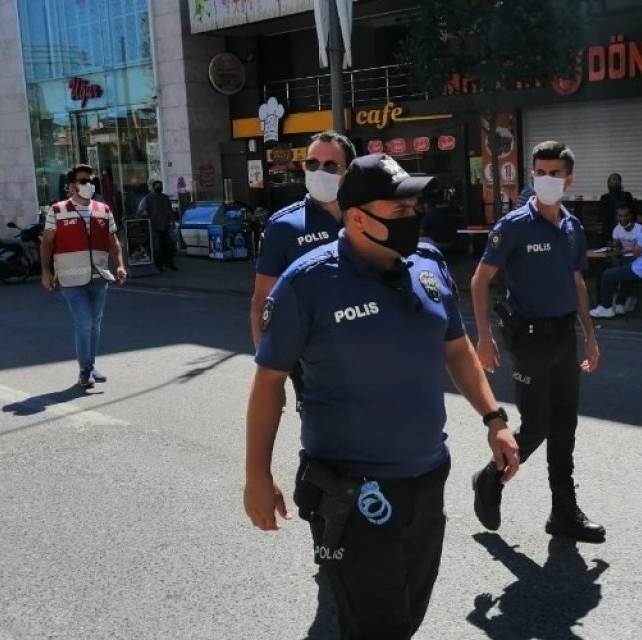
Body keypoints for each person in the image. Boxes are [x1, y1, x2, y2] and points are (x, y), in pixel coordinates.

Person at [244, 153, 520, 639]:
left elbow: (456, 349)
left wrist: (494, 418)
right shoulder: (306, 283)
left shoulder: (428, 264)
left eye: (414, 209)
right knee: (377, 625)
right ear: (355, 218)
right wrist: (257, 477)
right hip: (352, 490)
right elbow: (268, 384)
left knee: (410, 610)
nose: (413, 219)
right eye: (399, 212)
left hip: (428, 476)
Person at [471, 140, 605, 543]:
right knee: (538, 425)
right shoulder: (513, 225)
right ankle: (490, 479)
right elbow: (480, 281)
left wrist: (590, 336)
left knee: (565, 427)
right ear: (532, 175)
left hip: (564, 337)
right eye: (540, 172)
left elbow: (578, 282)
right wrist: (484, 337)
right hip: (527, 339)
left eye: (555, 173)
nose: (547, 180)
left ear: (569, 178)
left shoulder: (571, 228)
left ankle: (563, 512)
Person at [250, 131, 354, 409]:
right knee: (326, 444)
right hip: (313, 363)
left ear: (349, 170)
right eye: (312, 164)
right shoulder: (284, 226)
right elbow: (262, 302)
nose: (320, 171)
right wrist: (269, 376)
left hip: (372, 350)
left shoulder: (367, 215)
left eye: (330, 166)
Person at [40, 163, 128, 389]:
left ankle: (91, 364)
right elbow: (47, 243)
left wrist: (119, 265)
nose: (88, 185)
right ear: (71, 186)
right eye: (83, 181)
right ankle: (84, 370)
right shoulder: (57, 211)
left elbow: (113, 241)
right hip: (70, 280)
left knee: (95, 323)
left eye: (91, 181)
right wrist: (46, 271)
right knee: (85, 322)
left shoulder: (103, 210)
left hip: (99, 276)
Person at [589, 206, 642, 317]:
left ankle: (606, 307)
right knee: (625, 271)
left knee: (607, 274)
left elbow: (636, 253)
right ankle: (620, 303)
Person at [137, 180, 178, 272]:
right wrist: (139, 219)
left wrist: (173, 222)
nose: (159, 187)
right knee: (157, 247)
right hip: (154, 226)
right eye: (157, 186)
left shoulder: (165, 198)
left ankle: (169, 263)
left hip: (165, 225)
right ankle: (159, 266)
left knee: (169, 245)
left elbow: (169, 211)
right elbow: (140, 210)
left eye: (160, 186)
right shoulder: (147, 198)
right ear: (153, 187)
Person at [599, 173, 634, 240]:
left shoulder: (605, 197)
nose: (613, 182)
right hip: (619, 227)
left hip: (613, 228)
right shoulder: (627, 195)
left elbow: (604, 217)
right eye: (612, 180)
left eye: (615, 179)